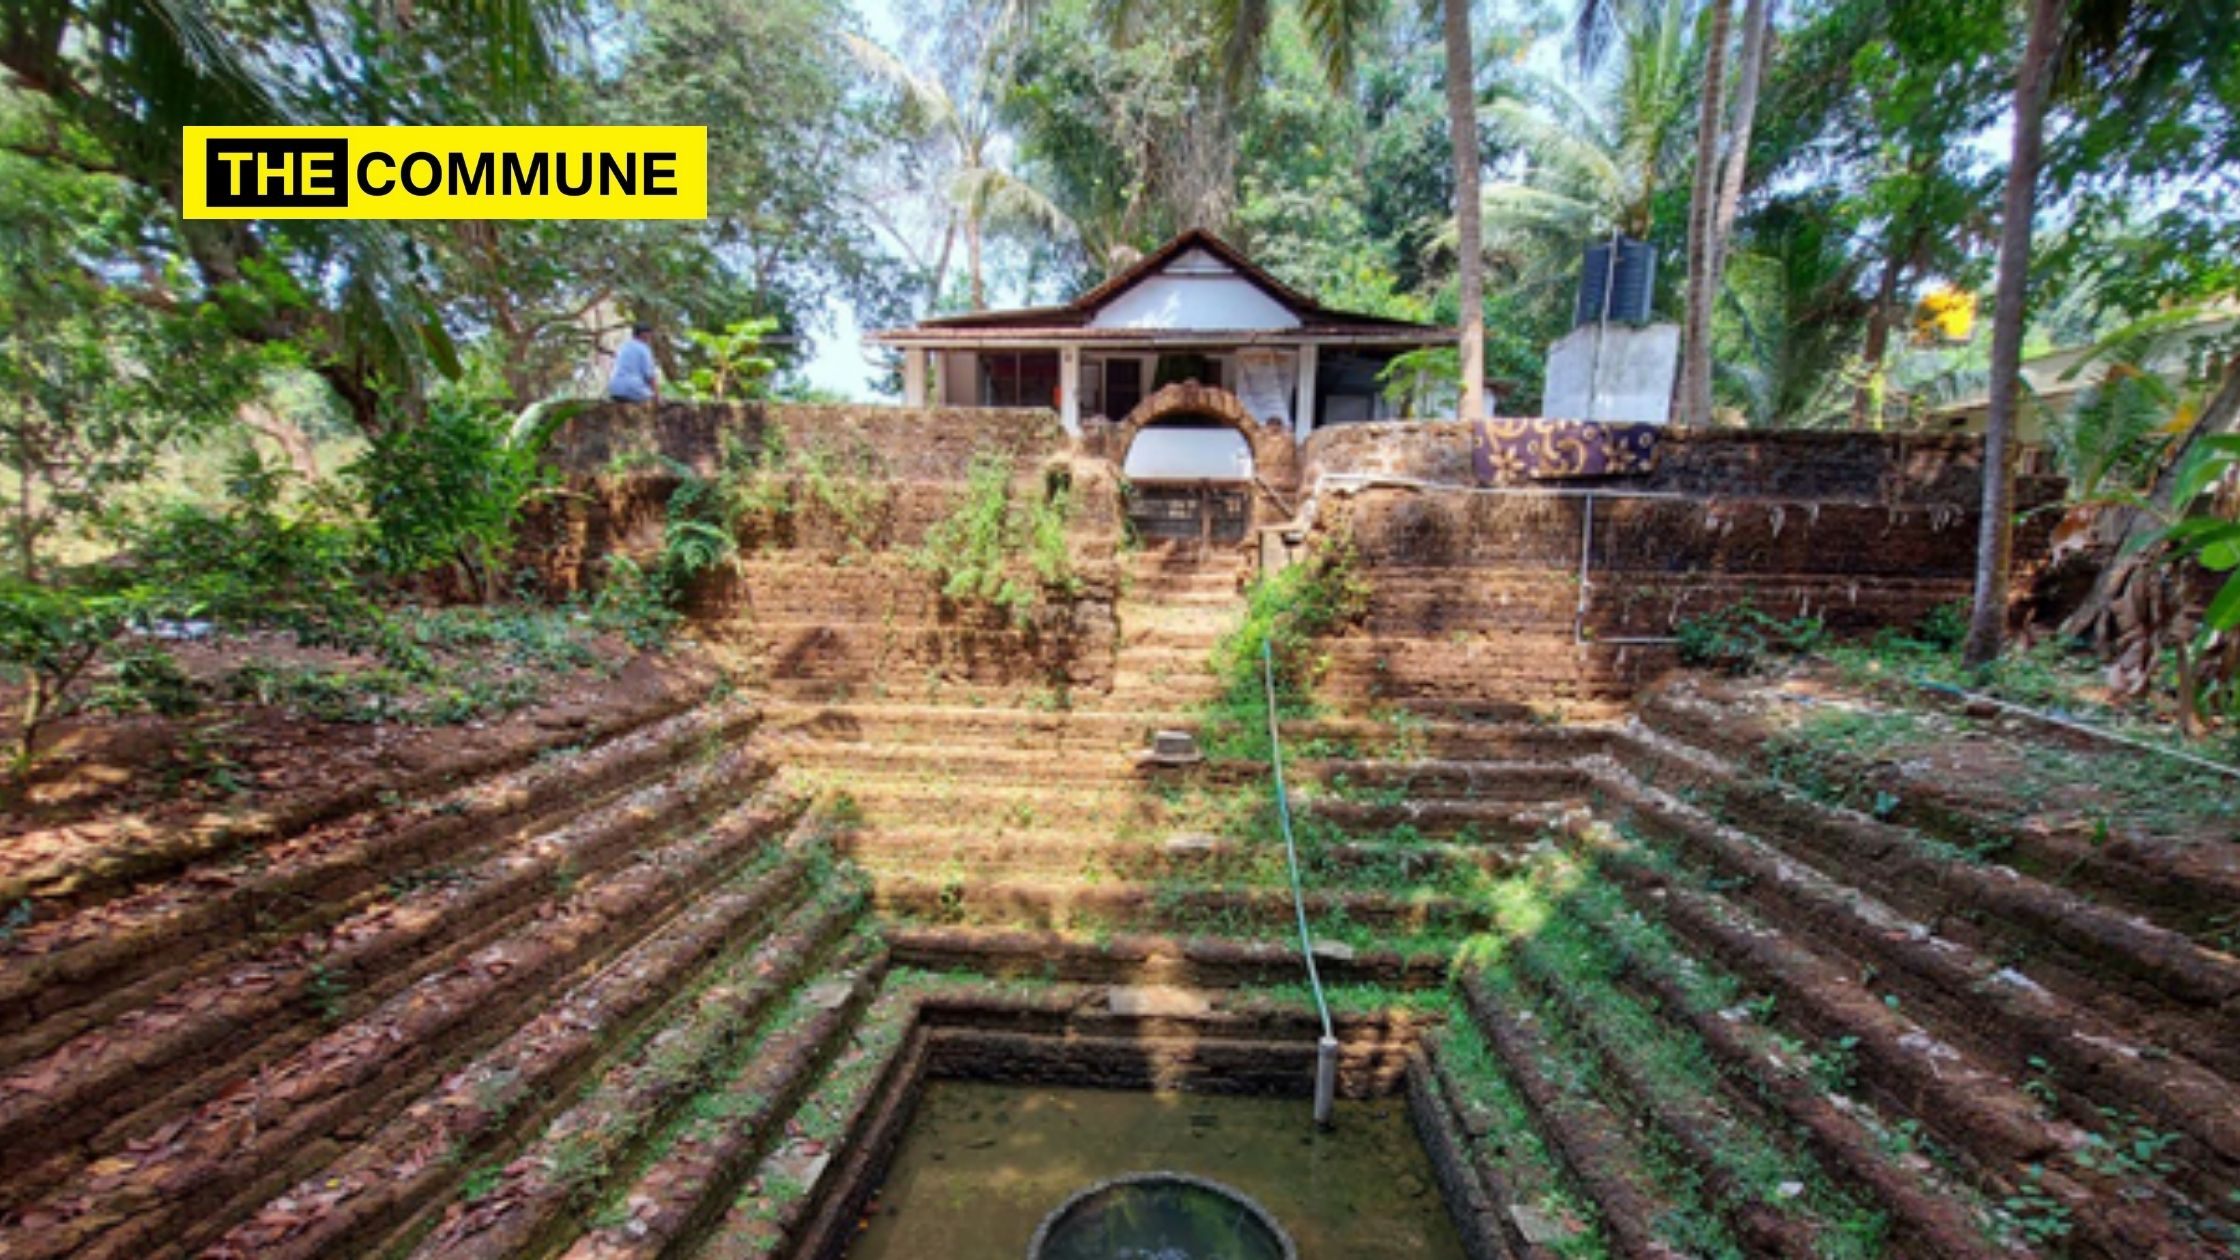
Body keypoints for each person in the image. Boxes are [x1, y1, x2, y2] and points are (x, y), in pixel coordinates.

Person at [609, 322, 660, 402]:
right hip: (632, 388)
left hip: (614, 388)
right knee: (655, 401)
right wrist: (657, 396)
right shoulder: (644, 349)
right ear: (645, 335)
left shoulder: (623, 346)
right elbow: (650, 376)